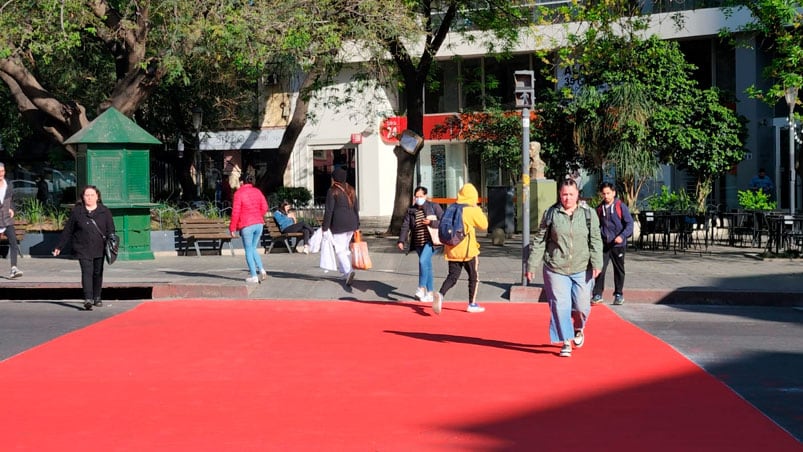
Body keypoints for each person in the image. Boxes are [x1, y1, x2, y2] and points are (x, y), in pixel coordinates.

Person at [526, 178, 603, 358]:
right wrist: (532, 264)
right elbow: (539, 241)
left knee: (582, 306)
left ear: (577, 195)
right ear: (559, 195)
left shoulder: (588, 214)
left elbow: (596, 240)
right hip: (556, 268)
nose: (567, 198)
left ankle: (578, 327)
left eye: (571, 194)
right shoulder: (551, 214)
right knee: (560, 306)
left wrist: (597, 262)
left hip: (582, 268)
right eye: (564, 194)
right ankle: (565, 341)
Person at [53, 185, 114, 311]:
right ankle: (88, 298)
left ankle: (97, 297)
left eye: (92, 195)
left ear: (97, 197)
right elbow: (68, 230)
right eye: (87, 195)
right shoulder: (77, 211)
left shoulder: (104, 211)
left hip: (99, 247)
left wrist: (111, 243)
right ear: (83, 197)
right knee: (87, 272)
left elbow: (111, 230)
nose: (90, 198)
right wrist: (59, 246)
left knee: (97, 273)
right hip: (82, 247)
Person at [432, 183, 488, 314]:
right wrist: (477, 208)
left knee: (452, 276)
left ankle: (440, 294)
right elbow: (484, 225)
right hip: (468, 251)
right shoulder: (471, 210)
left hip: (452, 248)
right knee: (473, 276)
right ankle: (472, 304)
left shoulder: (452, 208)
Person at [397, 186, 444, 302]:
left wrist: (431, 222)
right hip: (418, 242)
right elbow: (405, 225)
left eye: (421, 196)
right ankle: (430, 292)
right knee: (426, 266)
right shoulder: (411, 210)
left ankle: (421, 287)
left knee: (423, 261)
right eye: (416, 196)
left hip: (431, 241)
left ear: (426, 196)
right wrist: (401, 240)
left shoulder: (434, 206)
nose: (418, 199)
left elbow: (444, 221)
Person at [591, 182, 634, 306]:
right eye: (603, 193)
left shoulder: (621, 206)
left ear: (614, 193)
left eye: (608, 193)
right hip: (604, 245)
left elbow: (629, 224)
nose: (606, 196)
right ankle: (597, 294)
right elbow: (596, 225)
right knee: (600, 268)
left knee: (619, 270)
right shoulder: (599, 208)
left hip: (618, 245)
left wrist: (622, 236)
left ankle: (619, 294)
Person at [321, 167, 360, 286]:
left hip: (339, 224)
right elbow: (356, 208)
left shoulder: (332, 191)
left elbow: (329, 211)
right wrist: (357, 224)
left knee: (339, 249)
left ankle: (349, 271)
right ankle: (344, 271)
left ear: (334, 178)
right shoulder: (351, 189)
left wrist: (325, 227)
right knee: (345, 248)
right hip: (352, 223)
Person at [229, 174, 269, 284]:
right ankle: (261, 269)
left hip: (246, 224)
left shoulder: (238, 194)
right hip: (259, 223)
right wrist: (258, 216)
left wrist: (232, 228)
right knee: (253, 248)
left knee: (248, 250)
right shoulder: (257, 191)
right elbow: (265, 207)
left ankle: (253, 276)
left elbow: (235, 212)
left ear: (241, 182)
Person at [0, 163, 23, 279]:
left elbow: (11, 200)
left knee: (13, 243)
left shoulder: (8, 184)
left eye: (2, 171)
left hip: (6, 219)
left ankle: (14, 268)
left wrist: (12, 209)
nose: (1, 174)